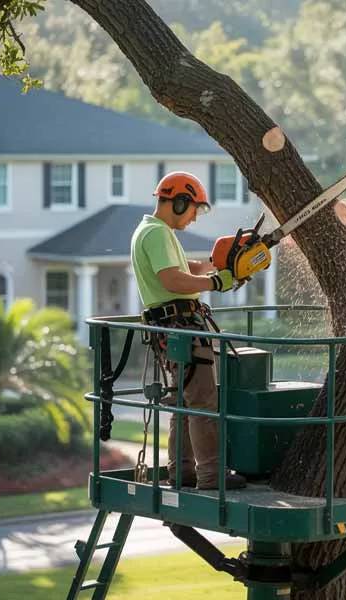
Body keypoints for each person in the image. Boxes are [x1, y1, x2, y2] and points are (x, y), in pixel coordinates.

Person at [130, 171, 247, 490]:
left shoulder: (154, 231)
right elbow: (174, 281)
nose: (195, 216)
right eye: (194, 207)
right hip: (181, 326)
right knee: (203, 402)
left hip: (172, 327)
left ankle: (181, 472)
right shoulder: (156, 233)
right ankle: (211, 476)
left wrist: (221, 265)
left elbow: (187, 269)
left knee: (183, 402)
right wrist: (215, 283)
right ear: (179, 201)